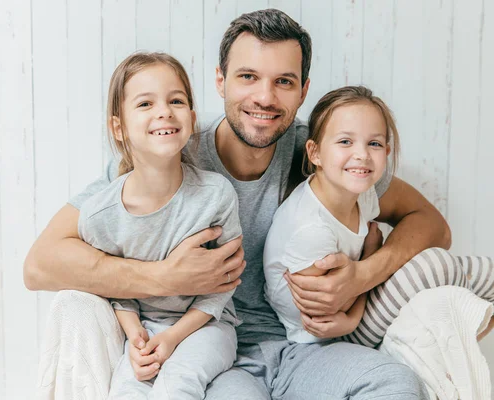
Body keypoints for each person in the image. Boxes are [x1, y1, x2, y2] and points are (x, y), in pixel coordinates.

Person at [26, 8, 494, 400]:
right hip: (213, 349)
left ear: (304, 90)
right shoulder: (170, 153)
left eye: (284, 82)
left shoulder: (324, 152)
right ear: (221, 80)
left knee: (395, 384)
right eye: (248, 77)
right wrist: (161, 278)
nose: (265, 98)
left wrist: (362, 276)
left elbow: (430, 223)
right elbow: (41, 265)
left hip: (305, 349)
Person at [264, 85, 482, 348]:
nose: (362, 155)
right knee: (438, 266)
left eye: (374, 143)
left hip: (350, 311)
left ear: (386, 153)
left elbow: (440, 233)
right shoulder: (311, 229)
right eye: (345, 141)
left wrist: (365, 269)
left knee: (478, 274)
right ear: (315, 153)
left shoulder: (363, 194)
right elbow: (328, 312)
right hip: (325, 335)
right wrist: (369, 255)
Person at [78, 52, 242, 399]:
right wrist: (137, 337)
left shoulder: (216, 195)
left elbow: (224, 285)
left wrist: (173, 337)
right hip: (146, 328)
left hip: (207, 326)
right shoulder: (99, 216)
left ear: (192, 118)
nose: (164, 111)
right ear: (118, 127)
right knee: (126, 390)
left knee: (176, 386)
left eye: (176, 100)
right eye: (145, 104)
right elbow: (114, 288)